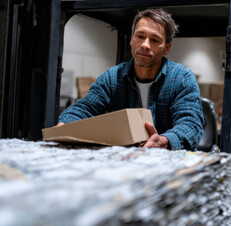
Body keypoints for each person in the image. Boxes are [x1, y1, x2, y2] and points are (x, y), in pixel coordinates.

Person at [57, 9, 204, 150]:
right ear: (131, 40)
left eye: (154, 40)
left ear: (166, 48)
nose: (145, 45)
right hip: (126, 161)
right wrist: (65, 124)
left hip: (170, 162)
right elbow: (85, 108)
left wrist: (163, 142)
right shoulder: (112, 78)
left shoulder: (182, 78)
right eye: (140, 36)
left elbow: (191, 124)